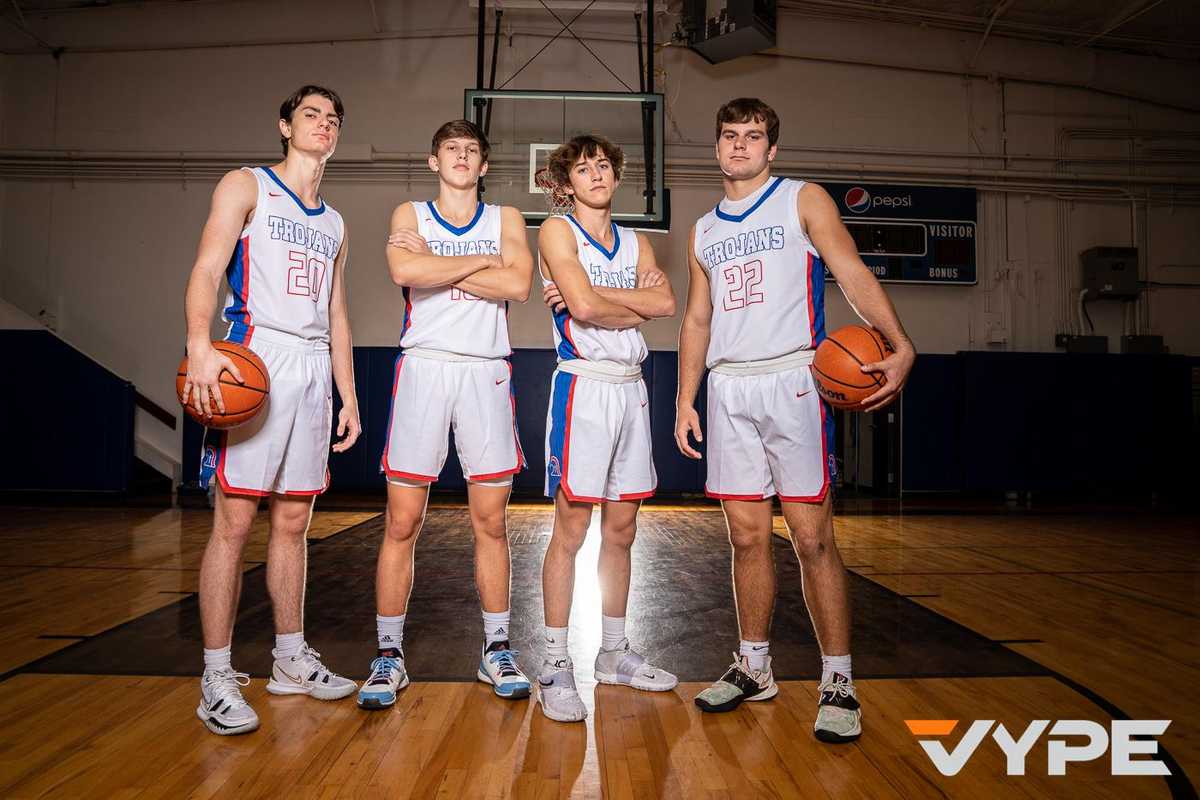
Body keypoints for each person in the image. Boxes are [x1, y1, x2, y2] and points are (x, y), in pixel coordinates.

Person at [675, 98, 915, 743]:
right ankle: (754, 666)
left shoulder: (802, 199)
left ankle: (838, 678)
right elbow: (697, 319)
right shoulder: (703, 230)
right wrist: (684, 398)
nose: (740, 146)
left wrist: (898, 342)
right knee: (747, 539)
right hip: (727, 386)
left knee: (812, 540)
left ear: (771, 149)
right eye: (730, 136)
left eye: (753, 137)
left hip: (792, 380)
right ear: (717, 145)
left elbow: (850, 269)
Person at [182, 85, 361, 736]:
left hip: (314, 369)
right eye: (311, 115)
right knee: (233, 523)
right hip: (257, 359)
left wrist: (348, 393)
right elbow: (207, 266)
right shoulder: (246, 185)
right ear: (285, 125)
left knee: (294, 522)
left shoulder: (336, 223)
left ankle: (290, 659)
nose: (323, 125)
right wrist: (200, 344)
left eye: (333, 119)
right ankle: (216, 673)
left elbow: (339, 314)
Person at [360, 119, 534, 709]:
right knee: (402, 521)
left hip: (485, 368)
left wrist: (445, 260)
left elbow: (519, 285)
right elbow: (404, 273)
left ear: (484, 166)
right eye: (451, 150)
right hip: (425, 367)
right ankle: (387, 655)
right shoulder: (409, 214)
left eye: (472, 151)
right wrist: (480, 262)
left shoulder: (505, 219)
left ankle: (497, 649)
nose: (462, 157)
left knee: (491, 521)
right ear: (434, 161)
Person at [535, 135, 679, 723]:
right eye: (583, 167)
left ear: (615, 176)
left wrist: (596, 297)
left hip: (631, 388)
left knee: (622, 529)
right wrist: (623, 303)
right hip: (584, 385)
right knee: (570, 530)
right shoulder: (556, 231)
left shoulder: (638, 240)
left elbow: (666, 304)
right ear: (566, 183)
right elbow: (586, 311)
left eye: (603, 165)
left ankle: (613, 652)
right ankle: (553, 662)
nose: (595, 173)